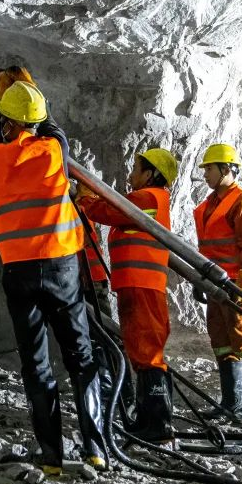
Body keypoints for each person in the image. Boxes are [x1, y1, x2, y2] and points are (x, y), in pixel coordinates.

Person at [0, 70, 106, 474]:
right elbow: (48, 123)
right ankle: (95, 450)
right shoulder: (55, 149)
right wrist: (27, 87)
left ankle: (51, 458)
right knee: (82, 359)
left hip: (19, 273)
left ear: (8, 123)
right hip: (61, 269)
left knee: (36, 365)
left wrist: (1, 98)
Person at [76, 148, 178, 443]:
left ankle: (158, 425)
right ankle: (149, 420)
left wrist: (85, 196)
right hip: (137, 284)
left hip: (142, 284)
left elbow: (107, 212)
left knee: (147, 350)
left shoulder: (147, 198)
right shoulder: (148, 199)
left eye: (136, 169)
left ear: (150, 174)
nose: (131, 175)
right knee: (140, 348)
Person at [193, 143, 242, 424]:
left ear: (227, 169)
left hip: (238, 281)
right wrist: (199, 280)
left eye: (209, 169)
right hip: (215, 284)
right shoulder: (208, 206)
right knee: (222, 340)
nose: (206, 175)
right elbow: (206, 250)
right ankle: (231, 402)